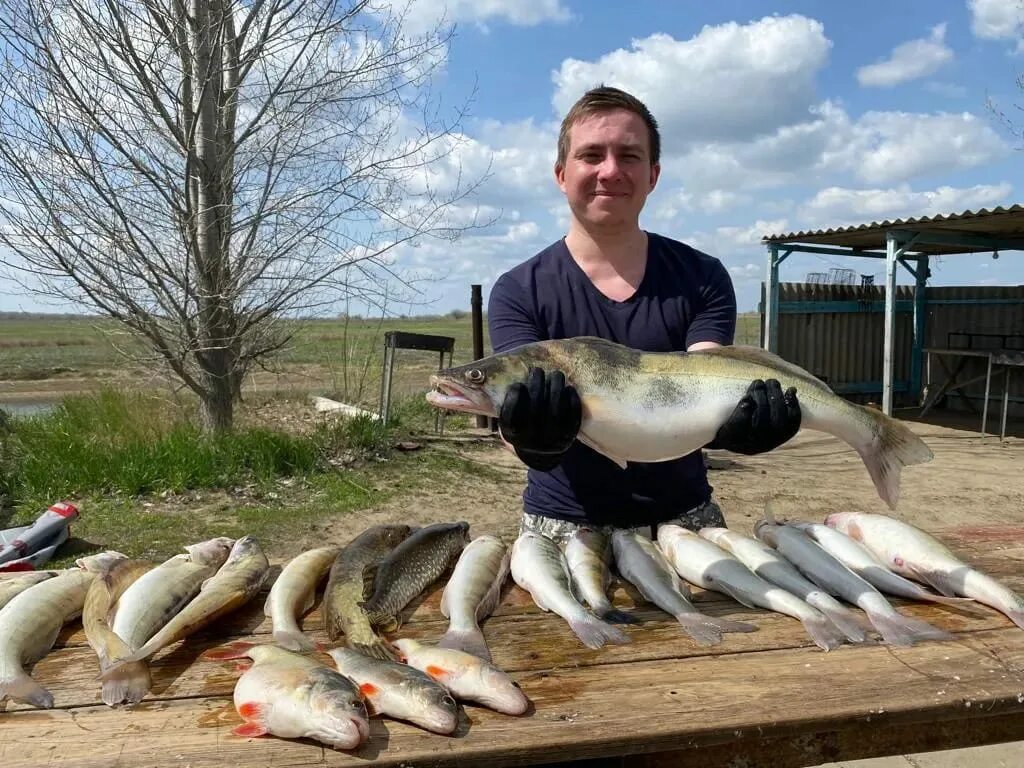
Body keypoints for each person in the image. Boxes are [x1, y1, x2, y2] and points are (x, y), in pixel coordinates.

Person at [486, 85, 801, 545]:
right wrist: (529, 439)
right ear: (560, 174)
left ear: (653, 175)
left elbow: (709, 375)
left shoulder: (703, 277)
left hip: (687, 521)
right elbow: (511, 422)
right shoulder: (518, 290)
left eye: (629, 156)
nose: (610, 170)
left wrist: (742, 422)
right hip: (561, 528)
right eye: (591, 154)